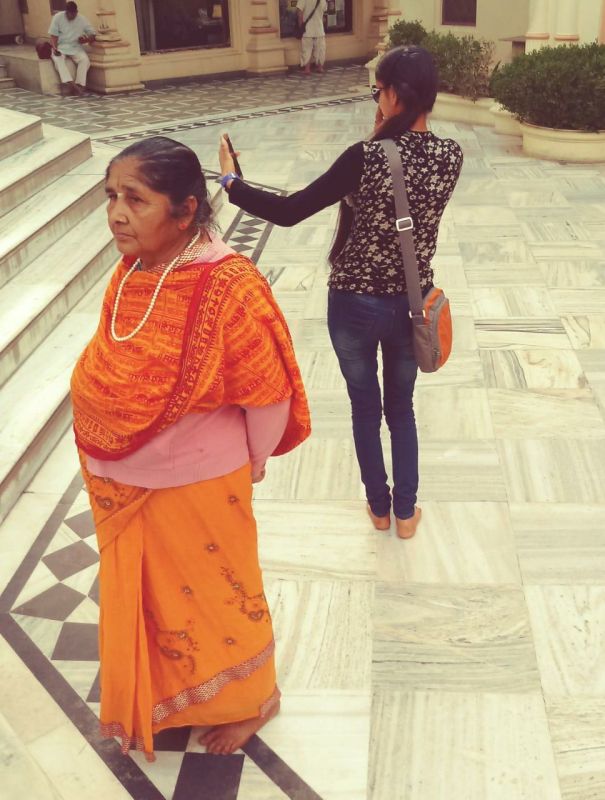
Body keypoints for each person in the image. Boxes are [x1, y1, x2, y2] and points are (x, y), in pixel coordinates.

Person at [70, 137, 310, 759]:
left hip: (200, 480)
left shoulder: (229, 284)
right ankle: (176, 697)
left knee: (220, 600)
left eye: (135, 200)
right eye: (111, 197)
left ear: (184, 211)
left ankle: (254, 700)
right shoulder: (132, 270)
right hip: (123, 481)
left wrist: (255, 460)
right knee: (155, 602)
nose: (117, 214)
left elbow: (268, 393)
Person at [218, 46, 463, 539]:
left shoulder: (364, 157)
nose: (377, 99)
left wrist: (230, 181)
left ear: (393, 95)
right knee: (402, 410)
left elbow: (290, 212)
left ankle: (378, 507)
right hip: (411, 306)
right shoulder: (450, 156)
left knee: (365, 408)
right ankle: (406, 514)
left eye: (378, 91)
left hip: (353, 305)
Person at [48, 1, 95, 97]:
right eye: (70, 13)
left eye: (74, 13)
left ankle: (80, 85)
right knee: (58, 59)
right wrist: (54, 48)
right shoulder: (58, 17)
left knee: (85, 60)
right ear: (66, 12)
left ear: (76, 12)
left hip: (75, 47)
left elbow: (92, 35)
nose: (72, 15)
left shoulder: (82, 19)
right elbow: (53, 36)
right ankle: (73, 85)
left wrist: (85, 39)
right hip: (61, 47)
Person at [297, 0, 327, 74]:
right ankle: (320, 68)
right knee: (320, 50)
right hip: (319, 29)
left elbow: (299, 14)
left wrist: (300, 27)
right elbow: (324, 13)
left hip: (307, 30)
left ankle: (307, 69)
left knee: (306, 49)